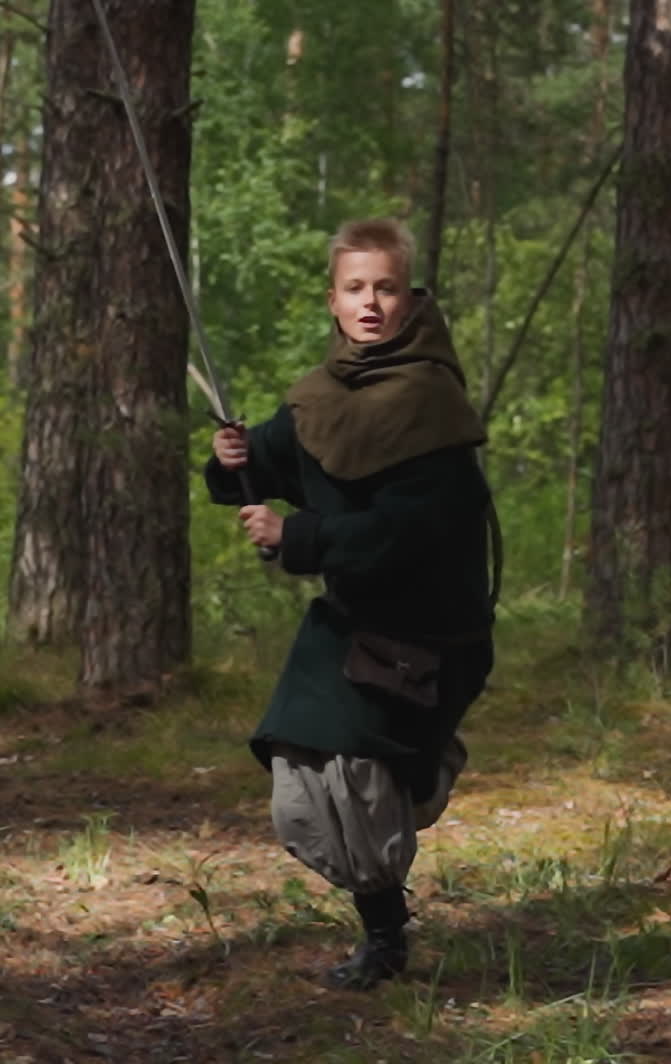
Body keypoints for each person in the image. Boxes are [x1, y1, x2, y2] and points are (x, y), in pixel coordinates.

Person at [205, 217, 497, 990]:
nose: (371, 304)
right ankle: (412, 788)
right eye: (356, 288)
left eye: (387, 288)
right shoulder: (321, 394)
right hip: (352, 626)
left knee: (365, 785)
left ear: (410, 297)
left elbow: (410, 532)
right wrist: (231, 459)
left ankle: (386, 936)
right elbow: (266, 464)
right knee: (301, 789)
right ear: (333, 300)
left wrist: (295, 536)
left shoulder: (429, 402)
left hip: (431, 631)